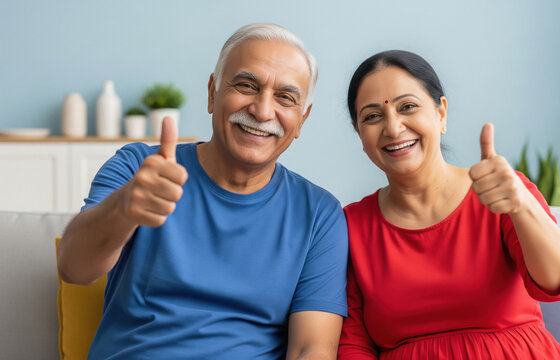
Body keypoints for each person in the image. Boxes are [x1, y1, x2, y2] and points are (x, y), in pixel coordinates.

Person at [57, 23, 348, 359]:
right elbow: (74, 268)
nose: (262, 110)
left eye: (285, 97)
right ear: (213, 92)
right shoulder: (139, 166)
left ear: (302, 119)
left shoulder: (319, 215)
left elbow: (311, 349)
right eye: (246, 85)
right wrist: (124, 208)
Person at [338, 50, 560, 359]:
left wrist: (521, 206)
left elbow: (558, 283)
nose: (393, 127)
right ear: (360, 134)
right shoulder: (350, 226)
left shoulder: (502, 190)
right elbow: (353, 344)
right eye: (372, 116)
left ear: (441, 114)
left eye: (408, 107)